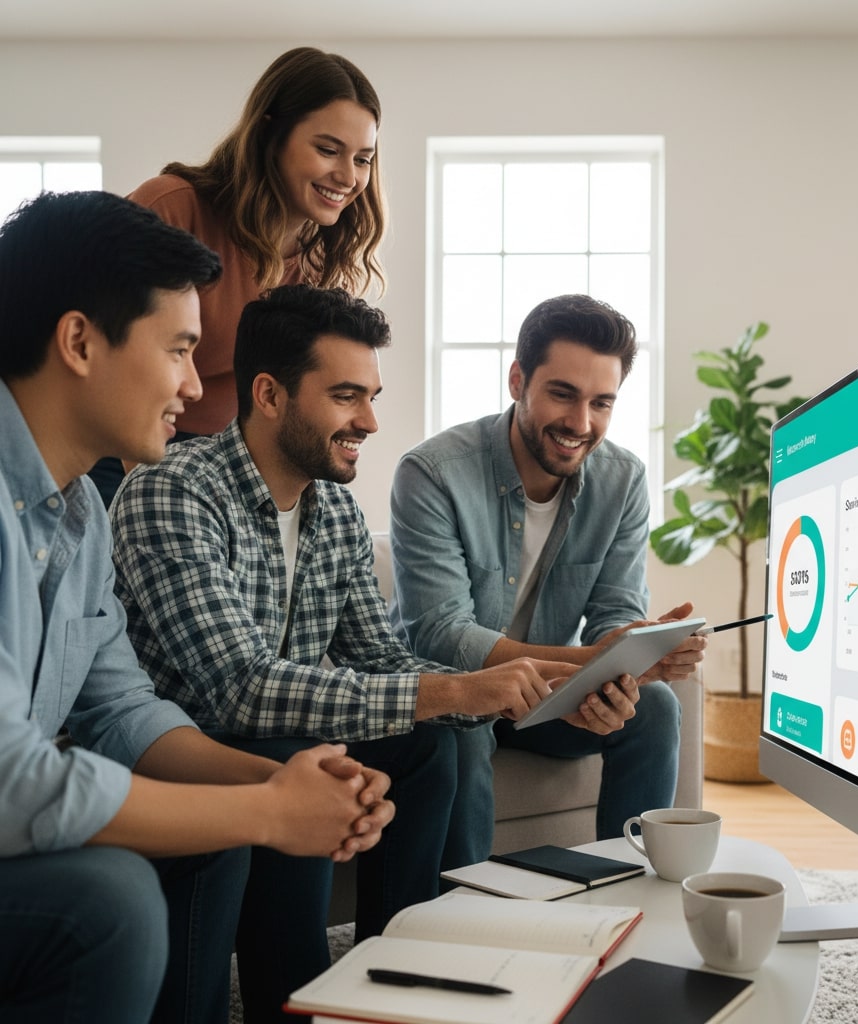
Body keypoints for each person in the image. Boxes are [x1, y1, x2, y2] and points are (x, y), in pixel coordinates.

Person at [108, 284, 638, 1024]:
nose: (369, 421)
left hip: (287, 729)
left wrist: (522, 696)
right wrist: (459, 691)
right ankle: (292, 1000)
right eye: (346, 396)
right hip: (190, 745)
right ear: (269, 394)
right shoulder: (175, 492)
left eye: (372, 396)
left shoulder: (334, 512)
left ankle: (398, 977)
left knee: (431, 745)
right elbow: (237, 688)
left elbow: (383, 658)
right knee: (314, 753)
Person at [0, 190, 394, 1024]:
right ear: (79, 342)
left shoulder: (81, 512)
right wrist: (267, 809)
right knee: (107, 899)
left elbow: (122, 710)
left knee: (213, 833)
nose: (193, 384)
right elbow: (13, 782)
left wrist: (282, 784)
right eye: (179, 349)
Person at [389, 293, 708, 868]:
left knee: (655, 707)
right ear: (518, 380)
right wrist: (590, 662)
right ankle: (468, 910)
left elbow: (615, 610)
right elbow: (441, 636)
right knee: (464, 732)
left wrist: (628, 662)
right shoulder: (432, 473)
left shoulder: (623, 480)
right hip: (456, 691)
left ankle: (629, 890)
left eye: (601, 403)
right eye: (563, 394)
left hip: (549, 698)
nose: (581, 424)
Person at [90, 45, 387, 504]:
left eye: (363, 159)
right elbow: (113, 363)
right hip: (125, 450)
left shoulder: (327, 263)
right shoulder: (171, 210)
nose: (348, 177)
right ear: (270, 135)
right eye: (328, 150)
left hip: (235, 464)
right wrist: (147, 492)